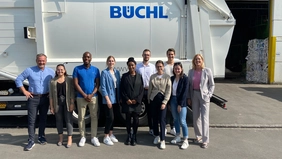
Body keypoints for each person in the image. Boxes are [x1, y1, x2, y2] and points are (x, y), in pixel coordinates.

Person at [15, 53, 55, 151]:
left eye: (43, 60)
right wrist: (25, 91)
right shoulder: (29, 70)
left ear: (46, 61)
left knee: (43, 119)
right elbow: (18, 79)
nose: (41, 62)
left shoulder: (51, 72)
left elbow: (55, 83)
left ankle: (41, 136)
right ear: (36, 60)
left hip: (45, 98)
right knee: (31, 120)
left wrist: (52, 93)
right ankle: (31, 140)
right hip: (33, 98)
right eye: (39, 60)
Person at [73, 51, 100, 147]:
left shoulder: (96, 70)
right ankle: (82, 137)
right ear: (82, 58)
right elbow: (76, 84)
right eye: (85, 57)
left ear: (91, 58)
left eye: (88, 57)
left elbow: (97, 84)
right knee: (81, 118)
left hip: (93, 97)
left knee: (94, 117)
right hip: (81, 97)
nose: (86, 59)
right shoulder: (77, 69)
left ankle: (93, 137)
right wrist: (84, 95)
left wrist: (92, 94)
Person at [187, 54, 215, 149]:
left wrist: (209, 95)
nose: (197, 61)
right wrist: (189, 98)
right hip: (194, 95)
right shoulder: (191, 72)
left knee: (204, 118)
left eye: (199, 59)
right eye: (196, 59)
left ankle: (205, 140)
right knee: (195, 118)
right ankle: (198, 136)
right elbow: (189, 85)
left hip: (204, 96)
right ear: (194, 61)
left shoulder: (207, 71)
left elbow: (212, 85)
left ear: (202, 60)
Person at [49, 64, 75, 148]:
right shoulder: (53, 81)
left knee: (68, 120)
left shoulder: (69, 80)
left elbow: (72, 93)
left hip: (67, 103)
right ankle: (60, 138)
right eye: (58, 70)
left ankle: (69, 138)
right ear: (56, 71)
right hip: (58, 104)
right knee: (59, 121)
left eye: (61, 69)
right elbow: (51, 95)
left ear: (64, 70)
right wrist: (52, 106)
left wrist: (72, 103)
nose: (60, 71)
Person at [148, 60, 171, 149]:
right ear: (156, 67)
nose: (159, 68)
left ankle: (162, 140)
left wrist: (165, 102)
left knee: (162, 119)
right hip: (153, 100)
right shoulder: (152, 77)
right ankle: (156, 135)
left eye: (161, 66)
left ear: (163, 67)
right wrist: (149, 100)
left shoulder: (167, 77)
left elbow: (168, 91)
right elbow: (150, 89)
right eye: (157, 66)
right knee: (154, 118)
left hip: (162, 100)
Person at [120, 57, 144, 146]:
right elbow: (122, 90)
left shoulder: (139, 76)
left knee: (136, 120)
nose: (131, 67)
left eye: (132, 65)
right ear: (127, 66)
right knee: (128, 119)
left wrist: (137, 100)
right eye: (129, 65)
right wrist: (127, 99)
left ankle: (134, 135)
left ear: (135, 66)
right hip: (128, 102)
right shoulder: (124, 76)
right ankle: (128, 135)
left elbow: (141, 90)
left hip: (136, 103)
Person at [100, 56, 120, 146]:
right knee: (109, 117)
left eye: (112, 61)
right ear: (107, 62)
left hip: (116, 97)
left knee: (114, 117)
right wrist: (107, 99)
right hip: (108, 98)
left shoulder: (117, 72)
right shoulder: (104, 72)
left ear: (114, 62)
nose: (111, 62)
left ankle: (111, 134)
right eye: (109, 61)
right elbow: (103, 87)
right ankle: (106, 136)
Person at [169, 62, 189, 149]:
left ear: (181, 69)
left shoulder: (185, 78)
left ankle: (185, 139)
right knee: (175, 119)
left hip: (181, 102)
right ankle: (178, 136)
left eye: (178, 68)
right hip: (173, 100)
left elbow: (185, 93)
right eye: (175, 68)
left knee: (182, 120)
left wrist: (180, 104)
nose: (177, 70)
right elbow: (169, 91)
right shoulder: (172, 78)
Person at [136, 49, 156, 135]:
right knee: (137, 110)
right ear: (142, 55)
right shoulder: (138, 66)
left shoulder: (153, 67)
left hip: (149, 91)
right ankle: (135, 129)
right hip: (140, 91)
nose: (146, 56)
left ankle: (151, 128)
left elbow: (155, 78)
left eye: (148, 55)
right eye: (145, 54)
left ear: (150, 56)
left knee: (150, 111)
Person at [164, 48, 176, 136]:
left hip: (174, 91)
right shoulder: (164, 65)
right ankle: (164, 127)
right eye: (169, 54)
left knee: (173, 109)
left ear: (174, 55)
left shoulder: (177, 65)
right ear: (167, 55)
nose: (170, 56)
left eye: (172, 54)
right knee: (165, 109)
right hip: (165, 89)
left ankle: (173, 127)